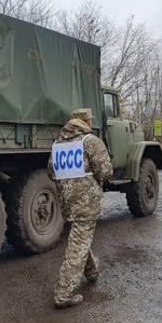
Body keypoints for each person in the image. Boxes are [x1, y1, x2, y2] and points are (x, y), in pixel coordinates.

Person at [48, 108, 113, 308]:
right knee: (78, 243)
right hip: (86, 201)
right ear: (86, 121)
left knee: (80, 235)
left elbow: (51, 171)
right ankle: (64, 293)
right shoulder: (89, 141)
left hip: (67, 201)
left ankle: (92, 272)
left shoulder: (58, 144)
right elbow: (106, 171)